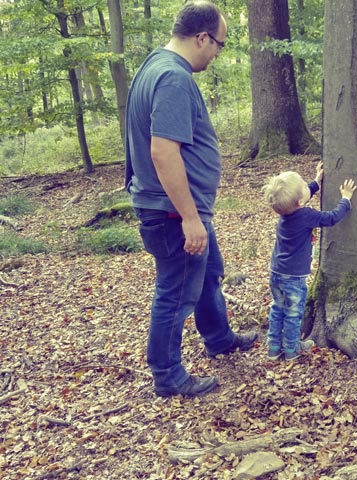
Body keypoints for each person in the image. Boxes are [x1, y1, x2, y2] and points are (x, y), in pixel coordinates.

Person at [125, 0, 257, 398]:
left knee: (210, 271)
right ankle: (167, 374)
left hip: (180, 208)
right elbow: (163, 152)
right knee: (176, 290)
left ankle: (218, 336)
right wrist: (189, 218)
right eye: (218, 44)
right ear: (201, 37)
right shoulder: (173, 79)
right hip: (172, 212)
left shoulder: (154, 65)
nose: (218, 53)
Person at [263, 163, 357, 361]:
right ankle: (291, 350)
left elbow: (300, 197)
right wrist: (345, 199)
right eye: (305, 186)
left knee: (278, 308)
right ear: (299, 201)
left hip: (276, 272)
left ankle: (273, 347)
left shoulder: (285, 213)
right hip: (294, 277)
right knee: (293, 313)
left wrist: (316, 181)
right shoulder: (305, 215)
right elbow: (331, 218)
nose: (308, 187)